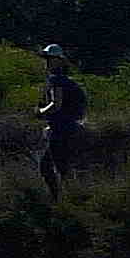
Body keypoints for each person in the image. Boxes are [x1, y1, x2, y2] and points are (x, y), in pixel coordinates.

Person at [33, 44, 87, 195]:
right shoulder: (67, 80)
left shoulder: (56, 80)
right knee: (59, 166)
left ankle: (62, 199)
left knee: (51, 167)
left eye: (50, 59)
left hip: (61, 130)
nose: (47, 62)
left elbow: (56, 105)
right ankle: (67, 198)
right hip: (70, 127)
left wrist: (40, 112)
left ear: (58, 60)